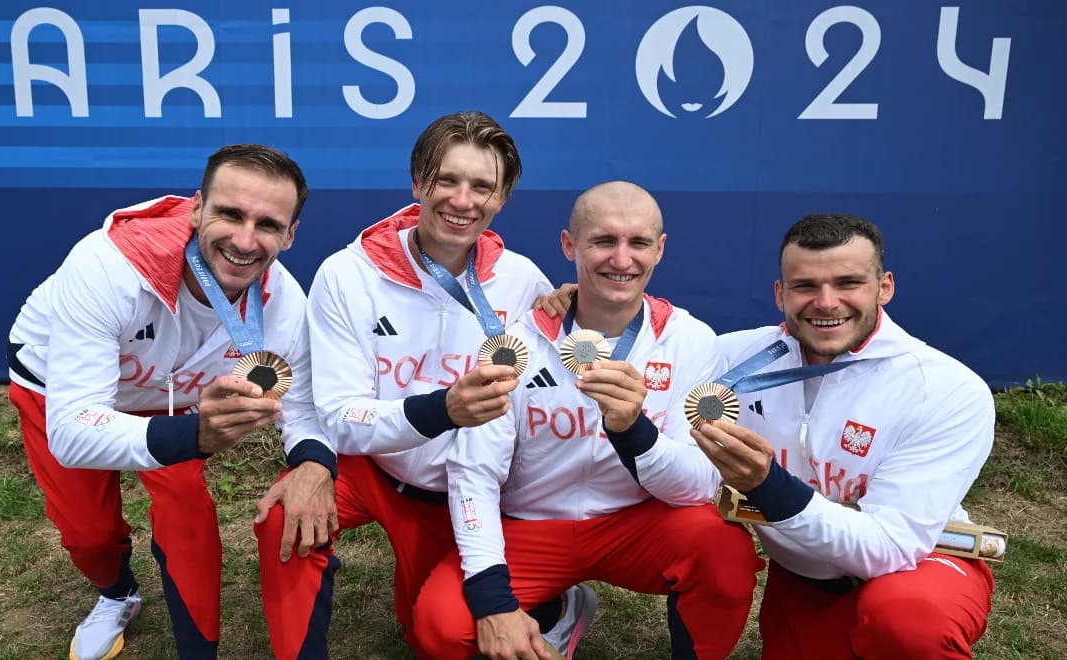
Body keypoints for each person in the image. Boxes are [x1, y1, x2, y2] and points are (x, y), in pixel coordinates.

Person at [254, 111, 591, 659]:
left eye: (482, 186)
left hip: (456, 493)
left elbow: (558, 383)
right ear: (417, 182)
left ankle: (556, 604)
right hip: (374, 469)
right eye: (446, 180)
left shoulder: (523, 280)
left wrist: (580, 311)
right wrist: (444, 409)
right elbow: (339, 416)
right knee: (281, 520)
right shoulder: (348, 274)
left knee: (432, 635)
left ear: (502, 198)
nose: (463, 200)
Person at [409, 181, 764, 659]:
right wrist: (493, 601)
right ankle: (558, 612)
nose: (621, 260)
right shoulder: (515, 342)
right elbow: (474, 473)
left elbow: (699, 487)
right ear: (568, 245)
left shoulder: (691, 341)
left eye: (638, 243)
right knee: (442, 626)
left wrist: (634, 432)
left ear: (659, 250)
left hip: (638, 523)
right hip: (532, 526)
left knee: (726, 554)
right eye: (603, 241)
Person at [7, 145, 334, 660]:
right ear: (196, 208)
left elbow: (303, 405)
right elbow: (71, 433)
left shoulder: (284, 301)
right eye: (230, 214)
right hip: (60, 386)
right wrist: (197, 435)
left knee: (186, 511)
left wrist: (314, 463)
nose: (245, 241)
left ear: (291, 235)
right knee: (87, 534)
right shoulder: (106, 266)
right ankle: (117, 593)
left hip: (168, 397)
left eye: (268, 224)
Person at [691, 213, 995, 659]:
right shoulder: (735, 357)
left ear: (884, 287)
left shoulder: (948, 388)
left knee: (909, 623)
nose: (826, 302)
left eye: (848, 282)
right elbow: (654, 357)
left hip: (917, 569)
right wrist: (578, 306)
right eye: (805, 286)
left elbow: (890, 547)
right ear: (780, 294)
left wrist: (768, 486)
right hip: (804, 580)